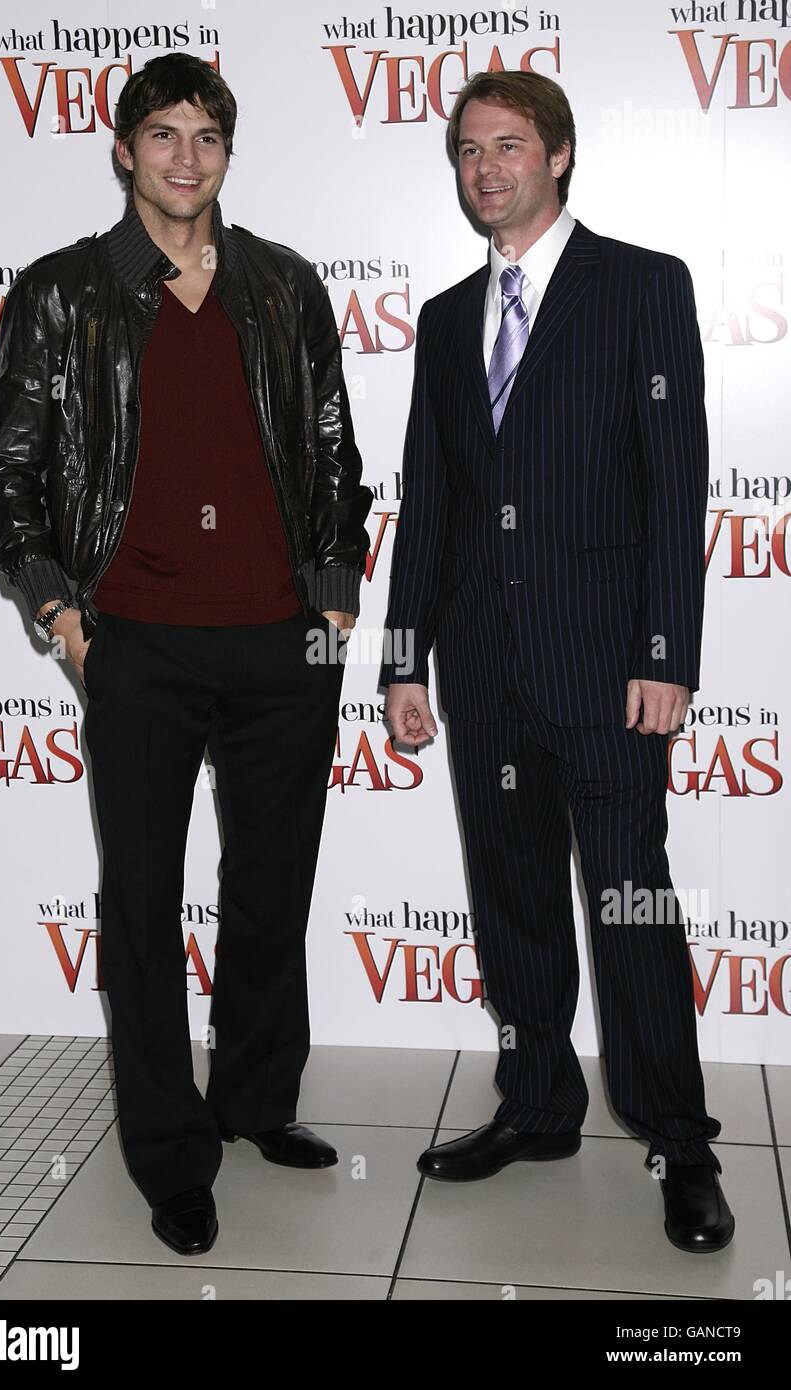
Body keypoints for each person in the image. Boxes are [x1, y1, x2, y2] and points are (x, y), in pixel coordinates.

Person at [0, 53, 372, 1256]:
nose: (185, 157)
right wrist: (62, 616)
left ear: (225, 153)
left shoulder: (284, 287)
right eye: (162, 134)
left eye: (205, 135)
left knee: (269, 890)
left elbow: (335, 450)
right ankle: (169, 1150)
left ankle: (254, 1101)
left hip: (281, 641)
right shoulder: (63, 293)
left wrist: (337, 599)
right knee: (142, 903)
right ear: (124, 151)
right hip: (135, 644)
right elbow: (8, 476)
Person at [378, 70, 733, 1253]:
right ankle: (534, 1104)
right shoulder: (440, 320)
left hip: (606, 671)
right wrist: (401, 659)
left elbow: (672, 476)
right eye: (469, 150)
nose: (486, 168)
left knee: (629, 903)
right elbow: (424, 499)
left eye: (510, 146)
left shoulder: (639, 286)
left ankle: (679, 1139)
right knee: (513, 896)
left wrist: (663, 650)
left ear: (560, 155)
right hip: (483, 672)